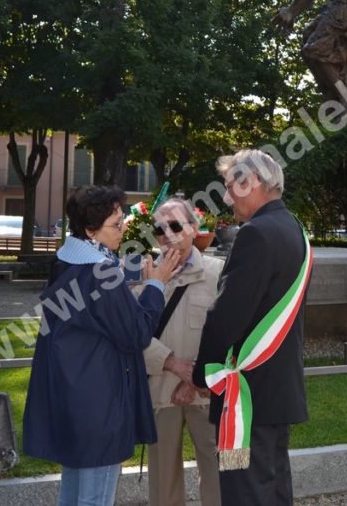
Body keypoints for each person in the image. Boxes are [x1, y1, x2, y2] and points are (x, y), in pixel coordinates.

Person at [23, 186, 183, 506]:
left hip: (72, 395)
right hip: (99, 403)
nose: (123, 228)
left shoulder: (66, 261)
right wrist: (156, 284)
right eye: (116, 223)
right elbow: (136, 333)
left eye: (122, 220)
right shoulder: (99, 272)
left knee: (73, 489)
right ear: (90, 230)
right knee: (95, 497)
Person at [192, 149, 313, 505]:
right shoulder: (295, 229)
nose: (227, 198)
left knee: (244, 489)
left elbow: (226, 316)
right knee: (274, 488)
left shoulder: (256, 234)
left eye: (231, 186)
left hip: (245, 395)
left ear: (253, 182)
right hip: (277, 390)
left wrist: (202, 375)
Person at [143, 198, 222, 506]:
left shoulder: (219, 274)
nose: (167, 234)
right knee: (163, 485)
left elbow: (227, 334)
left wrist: (192, 381)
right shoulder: (142, 273)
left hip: (206, 393)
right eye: (159, 229)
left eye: (175, 226)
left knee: (218, 478)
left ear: (194, 227)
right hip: (160, 392)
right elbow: (132, 334)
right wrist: (172, 364)